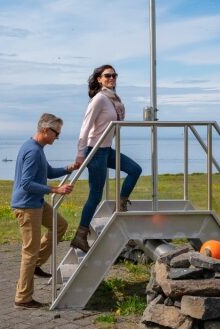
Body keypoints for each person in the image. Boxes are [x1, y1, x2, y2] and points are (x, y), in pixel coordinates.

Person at [70, 64, 142, 252]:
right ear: (99, 79)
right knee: (95, 194)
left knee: (135, 170)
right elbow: (85, 127)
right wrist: (80, 154)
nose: (111, 78)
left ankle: (121, 204)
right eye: (107, 75)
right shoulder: (99, 99)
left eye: (114, 75)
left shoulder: (112, 99)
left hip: (106, 150)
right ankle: (80, 235)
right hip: (95, 151)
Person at [10, 113, 76, 309]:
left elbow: (48, 172)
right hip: (27, 206)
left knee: (60, 225)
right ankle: (23, 298)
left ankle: (37, 264)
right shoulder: (32, 151)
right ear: (46, 130)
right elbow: (26, 183)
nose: (58, 137)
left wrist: (68, 168)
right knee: (29, 252)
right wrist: (55, 190)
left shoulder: (37, 148)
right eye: (57, 133)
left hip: (36, 202)